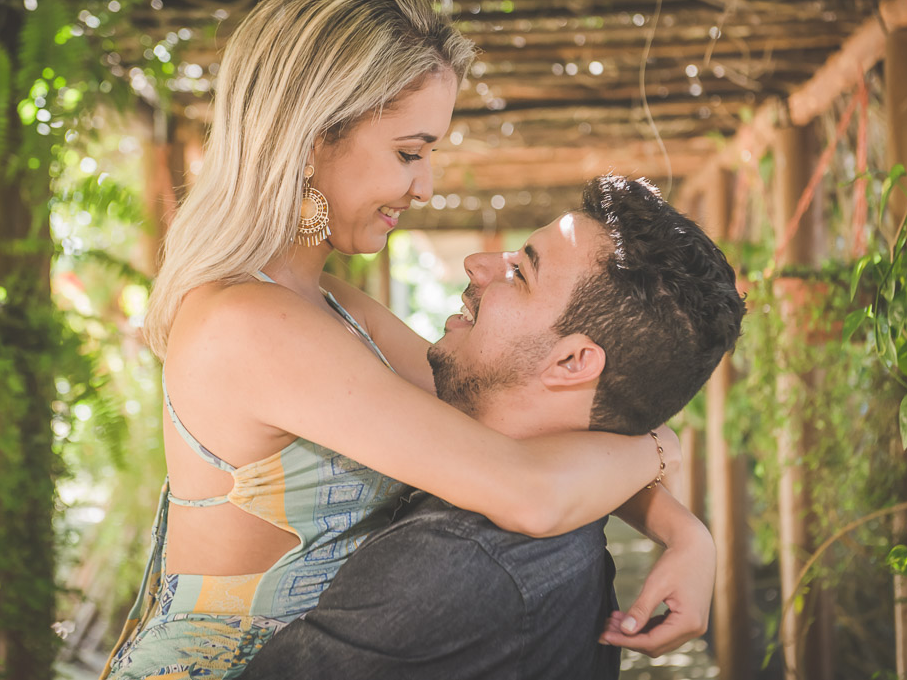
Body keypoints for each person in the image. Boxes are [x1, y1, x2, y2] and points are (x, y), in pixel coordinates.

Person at [102, 0, 715, 680]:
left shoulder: (330, 304)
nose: (425, 185)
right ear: (310, 139)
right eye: (409, 152)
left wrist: (683, 531)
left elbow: (488, 427)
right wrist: (658, 450)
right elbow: (526, 490)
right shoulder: (249, 323)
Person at [240, 175, 745, 679]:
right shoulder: (576, 504)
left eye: (521, 273)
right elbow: (313, 298)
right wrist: (686, 527)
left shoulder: (456, 565)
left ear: (572, 363)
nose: (478, 265)